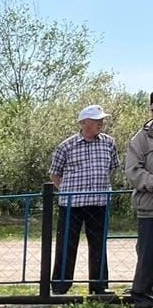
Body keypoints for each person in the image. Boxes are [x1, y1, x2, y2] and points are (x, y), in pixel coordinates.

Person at [51, 105, 120, 296]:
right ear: (83, 123)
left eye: (102, 120)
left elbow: (112, 168)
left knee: (99, 244)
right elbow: (55, 174)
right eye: (96, 120)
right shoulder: (66, 146)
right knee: (66, 244)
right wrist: (67, 192)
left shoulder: (109, 143)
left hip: (99, 202)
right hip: (72, 204)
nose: (101, 123)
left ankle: (99, 287)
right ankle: (60, 286)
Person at [126, 93, 153, 308]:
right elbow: (134, 171)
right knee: (147, 254)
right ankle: (141, 298)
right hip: (149, 208)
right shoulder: (141, 139)